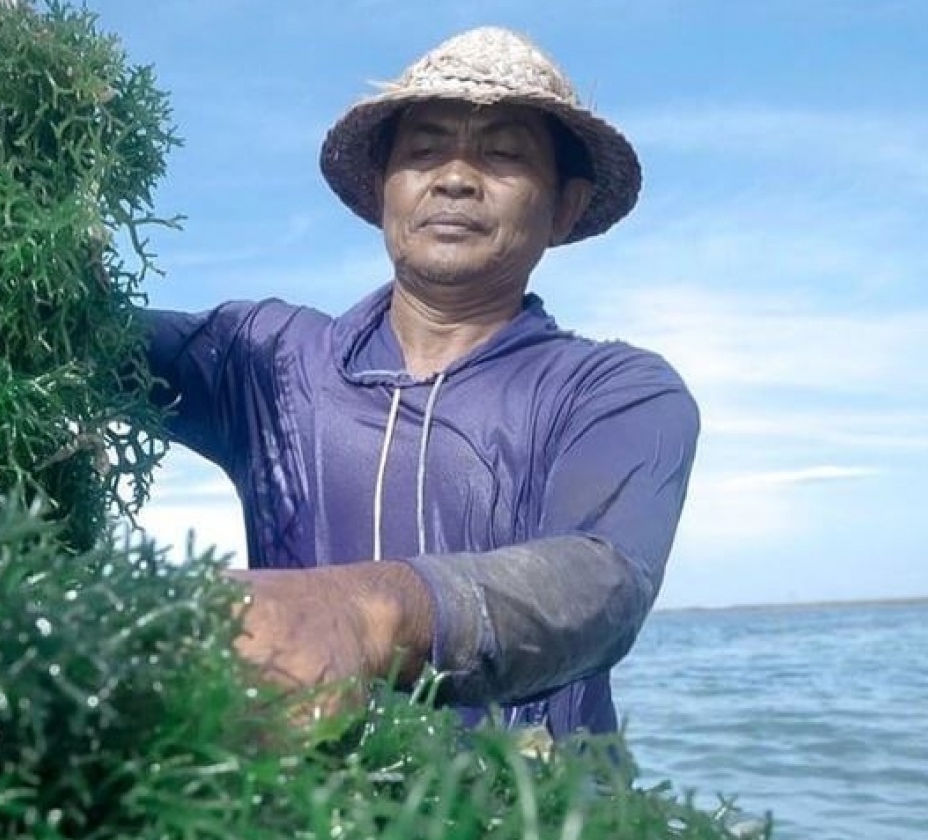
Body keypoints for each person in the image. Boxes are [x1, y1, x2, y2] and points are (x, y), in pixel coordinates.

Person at [145, 27, 699, 739]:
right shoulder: (269, 360)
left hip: (533, 808)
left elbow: (603, 580)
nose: (457, 177)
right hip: (313, 800)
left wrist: (364, 611)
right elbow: (61, 331)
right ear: (383, 188)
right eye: (424, 149)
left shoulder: (614, 390)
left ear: (565, 205)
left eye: (502, 154)